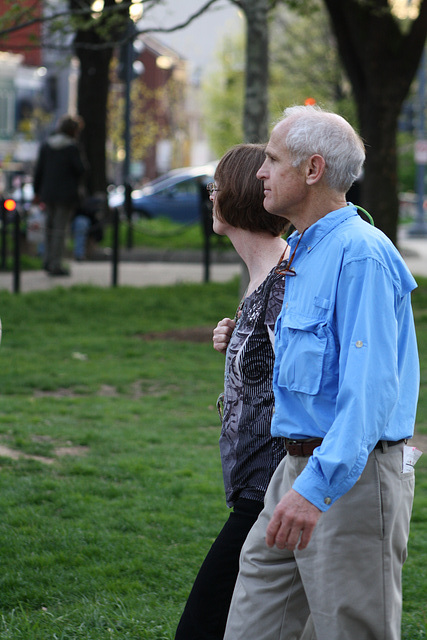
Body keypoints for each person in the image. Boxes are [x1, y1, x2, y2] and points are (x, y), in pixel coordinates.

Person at [223, 105, 420, 640]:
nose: (260, 172)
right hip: (294, 471)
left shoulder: (360, 255)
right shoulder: (307, 251)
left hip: (349, 480)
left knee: (350, 630)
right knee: (250, 626)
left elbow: (371, 392)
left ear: (311, 170)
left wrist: (317, 489)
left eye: (271, 159)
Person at [174, 143, 291, 640]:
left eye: (215, 187)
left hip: (271, 491)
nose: (211, 196)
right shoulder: (262, 278)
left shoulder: (285, 281)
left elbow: (307, 383)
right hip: (255, 489)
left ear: (235, 196)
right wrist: (238, 341)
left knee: (201, 626)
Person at [33, 114, 86, 276]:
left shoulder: (46, 146)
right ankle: (55, 264)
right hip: (65, 195)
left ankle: (47, 261)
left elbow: (39, 171)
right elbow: (81, 169)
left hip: (48, 194)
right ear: (73, 131)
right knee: (59, 230)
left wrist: (37, 192)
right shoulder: (72, 147)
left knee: (49, 228)